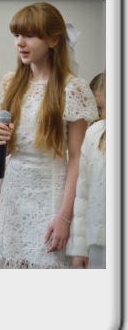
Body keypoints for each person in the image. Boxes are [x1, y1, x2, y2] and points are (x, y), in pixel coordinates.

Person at [0, 2, 98, 269]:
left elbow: (77, 158)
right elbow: (6, 149)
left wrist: (64, 216)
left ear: (53, 40)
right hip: (13, 193)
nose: (20, 43)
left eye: (29, 36)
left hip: (51, 196)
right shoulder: (9, 83)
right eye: (16, 35)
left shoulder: (73, 88)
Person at [67, 73, 106, 268]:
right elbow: (83, 196)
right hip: (97, 241)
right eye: (98, 109)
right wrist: (80, 249)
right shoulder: (93, 134)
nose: (102, 114)